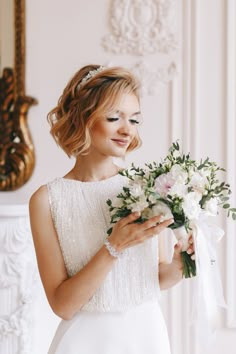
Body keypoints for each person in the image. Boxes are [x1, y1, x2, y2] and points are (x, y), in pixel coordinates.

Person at [29, 64, 194, 354]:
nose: (126, 130)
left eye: (135, 120)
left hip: (148, 337)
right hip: (85, 343)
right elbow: (62, 305)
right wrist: (113, 247)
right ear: (83, 119)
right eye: (114, 117)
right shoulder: (46, 200)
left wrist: (180, 265)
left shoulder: (145, 187)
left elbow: (155, 278)